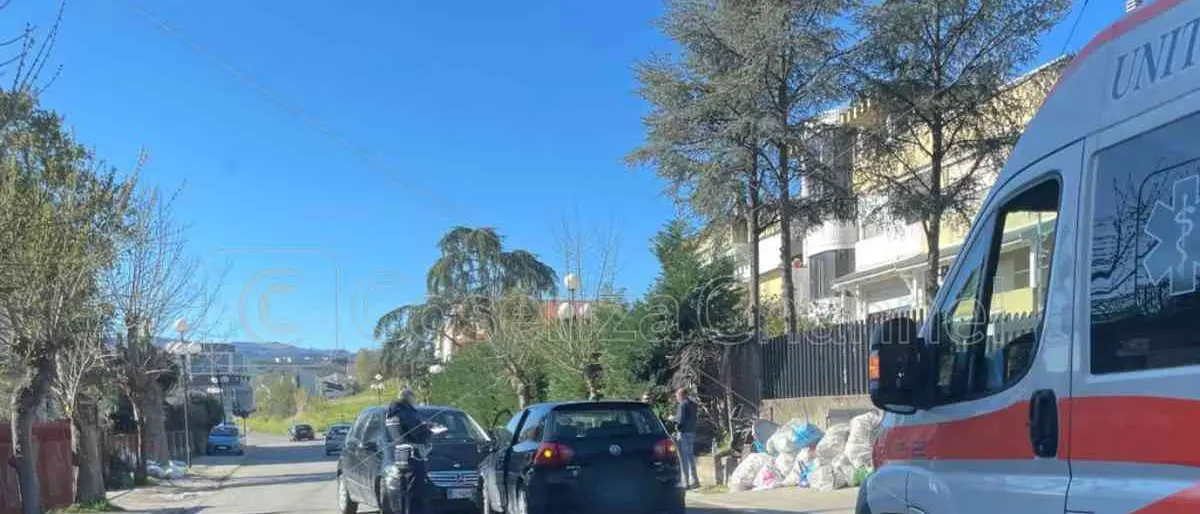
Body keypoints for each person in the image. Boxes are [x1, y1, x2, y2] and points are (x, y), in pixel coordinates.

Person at [385, 388, 432, 514]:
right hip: (413, 456)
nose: (415, 400)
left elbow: (397, 435)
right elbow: (416, 433)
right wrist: (429, 430)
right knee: (416, 493)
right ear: (409, 397)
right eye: (414, 397)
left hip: (399, 457)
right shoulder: (407, 412)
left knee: (403, 491)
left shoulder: (391, 413)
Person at [673, 387, 699, 489]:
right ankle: (695, 480)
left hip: (683, 433)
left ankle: (686, 482)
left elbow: (680, 420)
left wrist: (673, 420)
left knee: (683, 458)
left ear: (681, 395)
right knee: (691, 457)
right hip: (691, 431)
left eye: (677, 396)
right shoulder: (693, 404)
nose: (677, 398)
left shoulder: (682, 404)